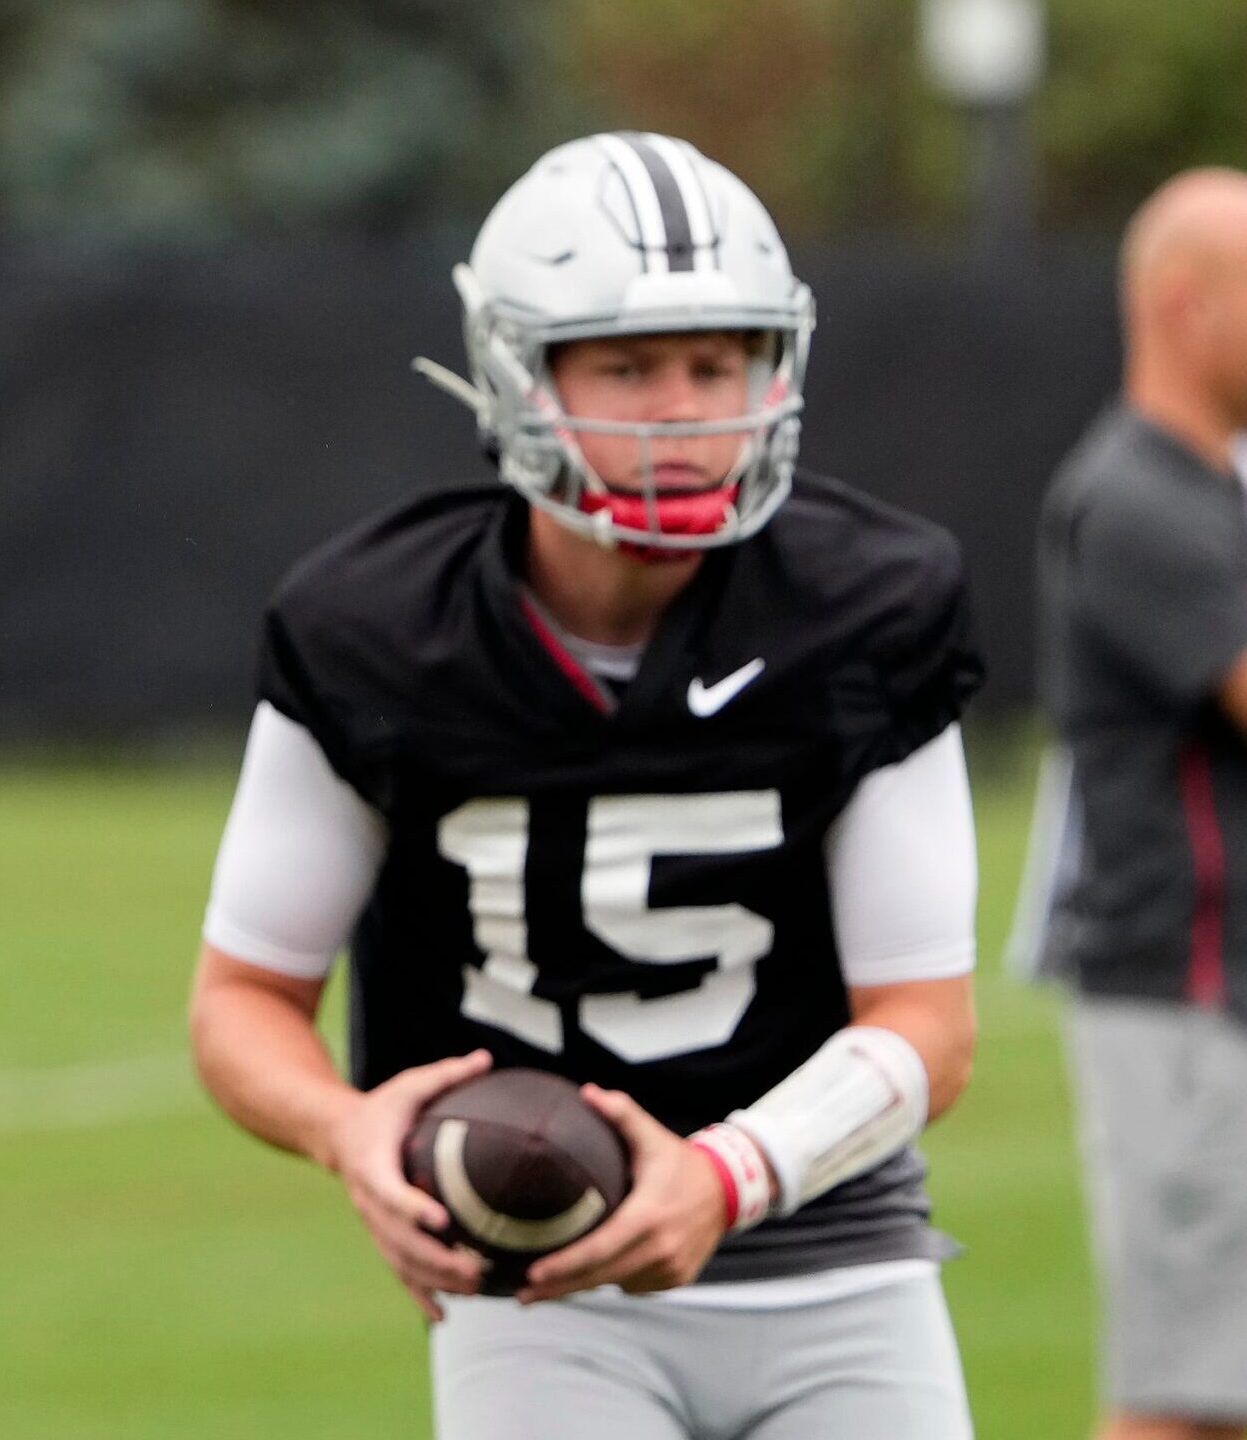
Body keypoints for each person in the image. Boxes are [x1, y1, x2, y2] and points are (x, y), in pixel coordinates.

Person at [189, 132, 982, 1439]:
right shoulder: (375, 628)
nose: (686, 410)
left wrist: (728, 1177)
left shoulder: (868, 601)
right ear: (516, 375)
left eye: (716, 363)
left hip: (834, 1254)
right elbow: (242, 1001)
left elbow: (929, 1023)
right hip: (530, 1266)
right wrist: (346, 1129)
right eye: (628, 367)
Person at [1037, 167, 1247, 1440]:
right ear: (1183, 305)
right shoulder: (1136, 500)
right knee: (1184, 1399)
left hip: (1217, 997)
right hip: (1182, 996)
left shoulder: (1205, 492)